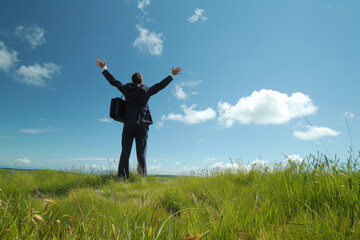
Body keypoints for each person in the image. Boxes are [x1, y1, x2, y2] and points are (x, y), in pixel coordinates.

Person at [96, 59, 182, 179]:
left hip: (128, 125)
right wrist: (172, 75)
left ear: (132, 81)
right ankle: (142, 179)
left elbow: (114, 81)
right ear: (141, 81)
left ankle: (122, 177)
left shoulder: (126, 89)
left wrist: (104, 68)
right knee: (141, 154)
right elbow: (160, 86)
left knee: (125, 152)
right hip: (142, 126)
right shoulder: (146, 90)